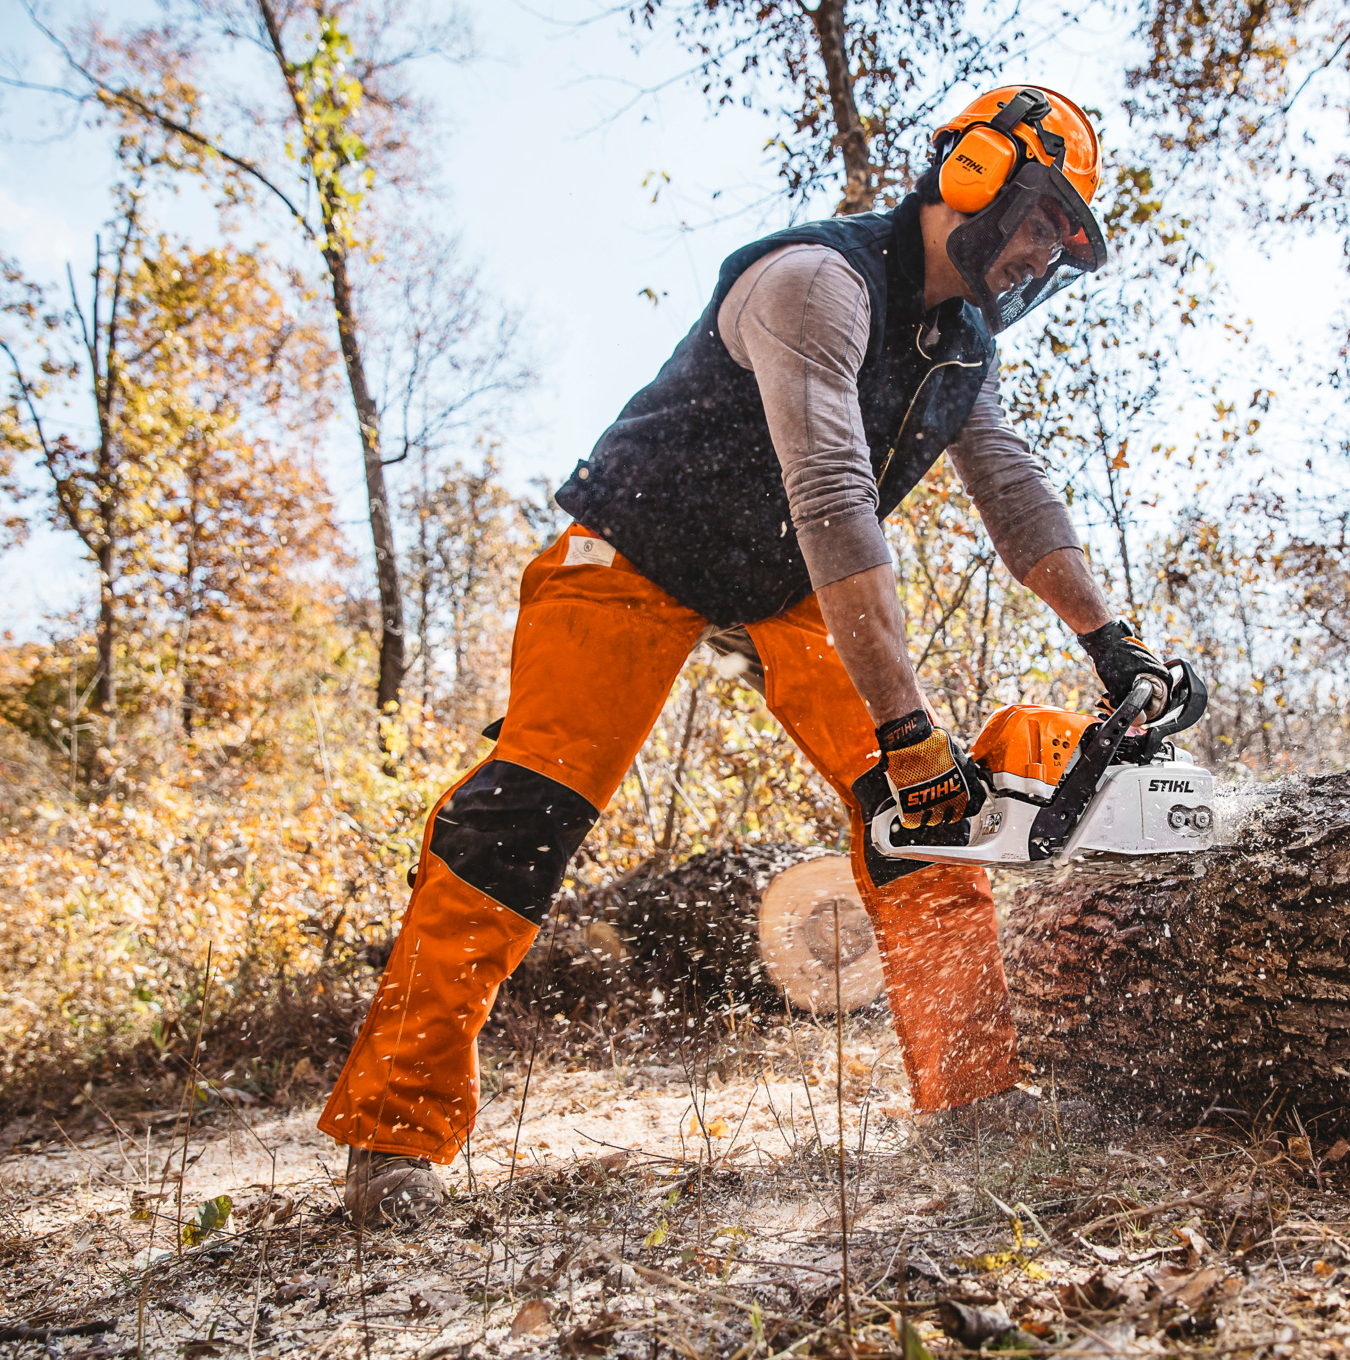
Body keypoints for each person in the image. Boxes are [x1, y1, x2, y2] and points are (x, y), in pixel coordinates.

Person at [320, 85, 1173, 1226]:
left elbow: (1014, 492)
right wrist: (910, 722)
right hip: (637, 546)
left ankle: (973, 1094)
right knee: (524, 810)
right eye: (1036, 221)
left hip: (780, 584)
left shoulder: (960, 347)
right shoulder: (816, 283)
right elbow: (833, 495)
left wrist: (1112, 645)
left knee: (919, 814)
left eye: (1059, 243)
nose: (1036, 255)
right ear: (974, 175)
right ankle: (390, 1138)